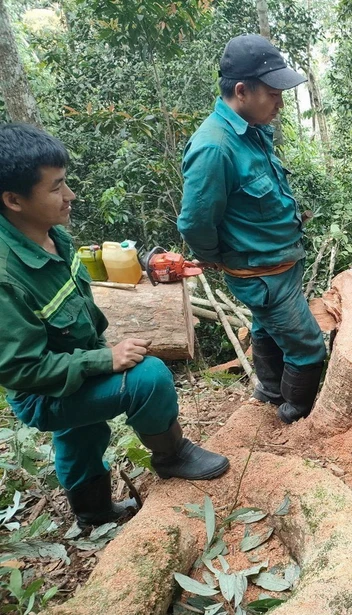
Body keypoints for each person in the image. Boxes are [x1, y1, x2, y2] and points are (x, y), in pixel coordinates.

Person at [0, 124, 229, 528]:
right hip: (42, 392)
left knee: (81, 432)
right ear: (13, 200)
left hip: (72, 365)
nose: (69, 196)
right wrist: (102, 361)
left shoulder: (53, 236)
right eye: (56, 188)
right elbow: (21, 369)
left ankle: (93, 513)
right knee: (149, 377)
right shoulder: (6, 277)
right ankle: (172, 456)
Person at [178, 34, 326, 424]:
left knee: (264, 326)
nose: (279, 102)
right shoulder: (214, 146)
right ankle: (295, 417)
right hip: (262, 274)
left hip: (277, 266)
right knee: (308, 346)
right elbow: (194, 222)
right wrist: (214, 257)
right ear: (242, 90)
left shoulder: (252, 128)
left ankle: (270, 391)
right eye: (273, 92)